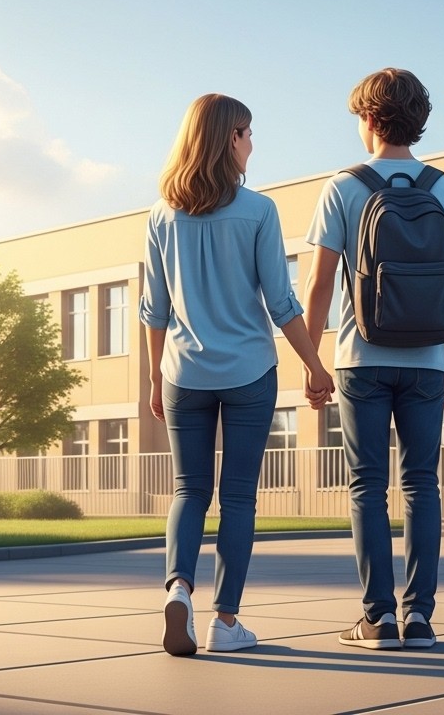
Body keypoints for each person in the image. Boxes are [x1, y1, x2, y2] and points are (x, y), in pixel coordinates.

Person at [141, 93, 333, 657]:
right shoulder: (259, 211)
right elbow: (281, 302)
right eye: (248, 133)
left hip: (183, 372)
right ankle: (226, 622)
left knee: (189, 489)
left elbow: (154, 310)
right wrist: (314, 365)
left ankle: (179, 590)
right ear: (230, 139)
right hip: (250, 372)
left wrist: (154, 378)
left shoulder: (161, 215)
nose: (253, 143)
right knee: (239, 497)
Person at [304, 68, 444, 650]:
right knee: (422, 484)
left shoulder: (343, 187)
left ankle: (377, 618)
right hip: (426, 359)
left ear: (371, 119)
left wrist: (312, 359)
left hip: (361, 358)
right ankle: (420, 617)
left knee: (367, 486)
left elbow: (319, 285)